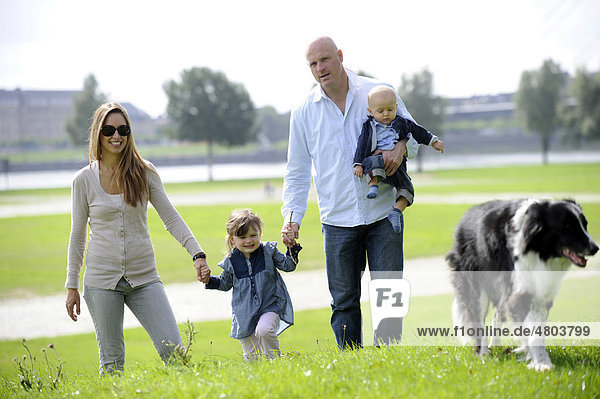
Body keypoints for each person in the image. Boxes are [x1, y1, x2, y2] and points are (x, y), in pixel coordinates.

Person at [280, 36, 419, 349]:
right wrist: (292, 218)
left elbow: (410, 131)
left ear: (340, 56)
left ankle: (388, 362)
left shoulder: (378, 91)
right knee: (343, 302)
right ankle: (351, 367)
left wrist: (399, 147)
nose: (320, 68)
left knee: (389, 296)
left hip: (384, 213)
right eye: (313, 64)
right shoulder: (303, 112)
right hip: (337, 219)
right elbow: (298, 171)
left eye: (325, 59)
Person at [65, 102, 211, 375]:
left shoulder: (144, 172)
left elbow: (171, 217)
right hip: (101, 281)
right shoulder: (83, 180)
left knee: (174, 353)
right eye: (109, 129)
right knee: (112, 363)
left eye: (123, 129)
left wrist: (197, 253)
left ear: (130, 133)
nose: (116, 136)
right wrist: (71, 284)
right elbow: (78, 234)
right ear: (98, 133)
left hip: (144, 277)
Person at [205, 209, 301, 361]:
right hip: (245, 313)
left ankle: (275, 363)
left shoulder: (268, 251)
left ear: (260, 234)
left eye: (253, 235)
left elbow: (288, 266)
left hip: (270, 305)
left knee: (264, 330)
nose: (248, 241)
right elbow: (225, 284)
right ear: (232, 240)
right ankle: (257, 376)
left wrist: (291, 247)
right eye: (242, 237)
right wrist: (208, 280)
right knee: (251, 358)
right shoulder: (231, 261)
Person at [353, 85, 444, 232]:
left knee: (407, 187)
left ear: (396, 107)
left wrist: (433, 141)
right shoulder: (369, 126)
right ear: (370, 111)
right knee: (371, 161)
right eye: (380, 111)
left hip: (398, 165)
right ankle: (374, 185)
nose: (386, 114)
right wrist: (357, 164)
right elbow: (362, 145)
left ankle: (396, 212)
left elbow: (418, 131)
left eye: (390, 109)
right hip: (376, 161)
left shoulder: (401, 123)